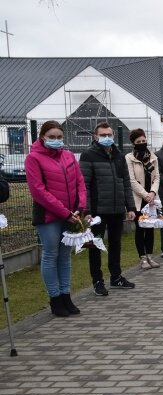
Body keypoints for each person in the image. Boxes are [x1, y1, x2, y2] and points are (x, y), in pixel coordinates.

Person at [25, 120, 87, 316]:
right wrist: (64, 212)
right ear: (42, 137)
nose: (56, 140)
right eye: (52, 137)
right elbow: (39, 191)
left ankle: (66, 295)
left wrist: (79, 207)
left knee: (65, 256)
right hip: (48, 216)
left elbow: (80, 183)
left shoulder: (68, 156)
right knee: (51, 254)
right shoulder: (33, 158)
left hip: (71, 214)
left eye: (59, 137)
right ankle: (55, 298)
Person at [79, 122, 136, 296]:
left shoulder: (119, 155)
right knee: (95, 245)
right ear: (95, 137)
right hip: (97, 209)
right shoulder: (88, 155)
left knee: (116, 244)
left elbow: (125, 182)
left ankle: (116, 276)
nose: (107, 138)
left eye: (109, 135)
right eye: (103, 135)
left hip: (117, 208)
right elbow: (85, 184)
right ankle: (97, 281)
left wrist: (130, 206)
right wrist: (87, 210)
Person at [125, 128, 161, 270]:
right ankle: (142, 258)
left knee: (150, 228)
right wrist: (145, 194)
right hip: (139, 199)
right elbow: (131, 180)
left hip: (151, 198)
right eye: (138, 141)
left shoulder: (153, 157)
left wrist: (152, 192)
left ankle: (150, 256)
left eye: (144, 140)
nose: (142, 143)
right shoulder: (129, 158)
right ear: (133, 143)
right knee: (141, 229)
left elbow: (157, 176)